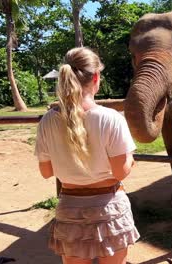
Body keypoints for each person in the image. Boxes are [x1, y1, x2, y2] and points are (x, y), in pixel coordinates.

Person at [34, 47, 139, 264]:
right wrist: (130, 159)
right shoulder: (111, 118)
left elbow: (46, 172)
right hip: (109, 208)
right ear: (96, 78)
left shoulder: (47, 121)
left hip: (70, 209)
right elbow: (121, 171)